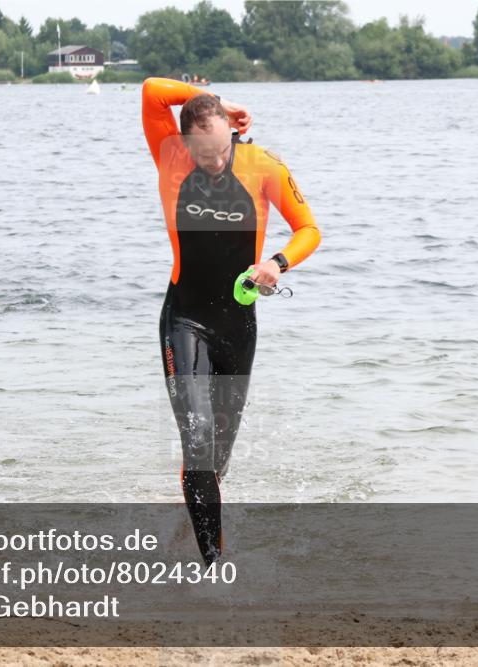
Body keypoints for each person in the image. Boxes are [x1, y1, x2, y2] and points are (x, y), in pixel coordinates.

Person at [141, 78, 321, 565]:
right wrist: (218, 101)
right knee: (197, 440)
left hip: (237, 328)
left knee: (217, 459)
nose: (217, 161)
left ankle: (194, 531)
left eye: (223, 150)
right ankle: (213, 571)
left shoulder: (262, 165)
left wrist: (277, 264)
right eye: (205, 155)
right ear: (185, 145)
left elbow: (309, 229)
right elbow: (152, 90)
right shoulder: (169, 154)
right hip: (185, 319)